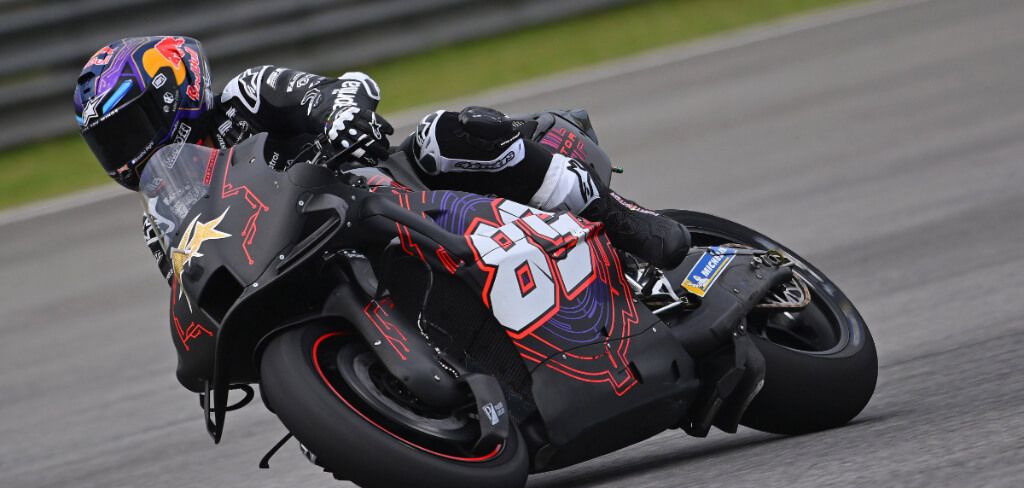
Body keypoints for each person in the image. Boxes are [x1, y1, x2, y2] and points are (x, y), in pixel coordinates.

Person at [74, 36, 689, 276]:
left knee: (445, 133)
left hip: (377, 186)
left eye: (131, 130)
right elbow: (192, 276)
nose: (126, 156)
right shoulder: (167, 202)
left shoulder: (248, 95)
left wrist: (341, 125)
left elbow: (344, 88)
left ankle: (616, 218)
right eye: (111, 145)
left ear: (170, 93)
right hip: (310, 255)